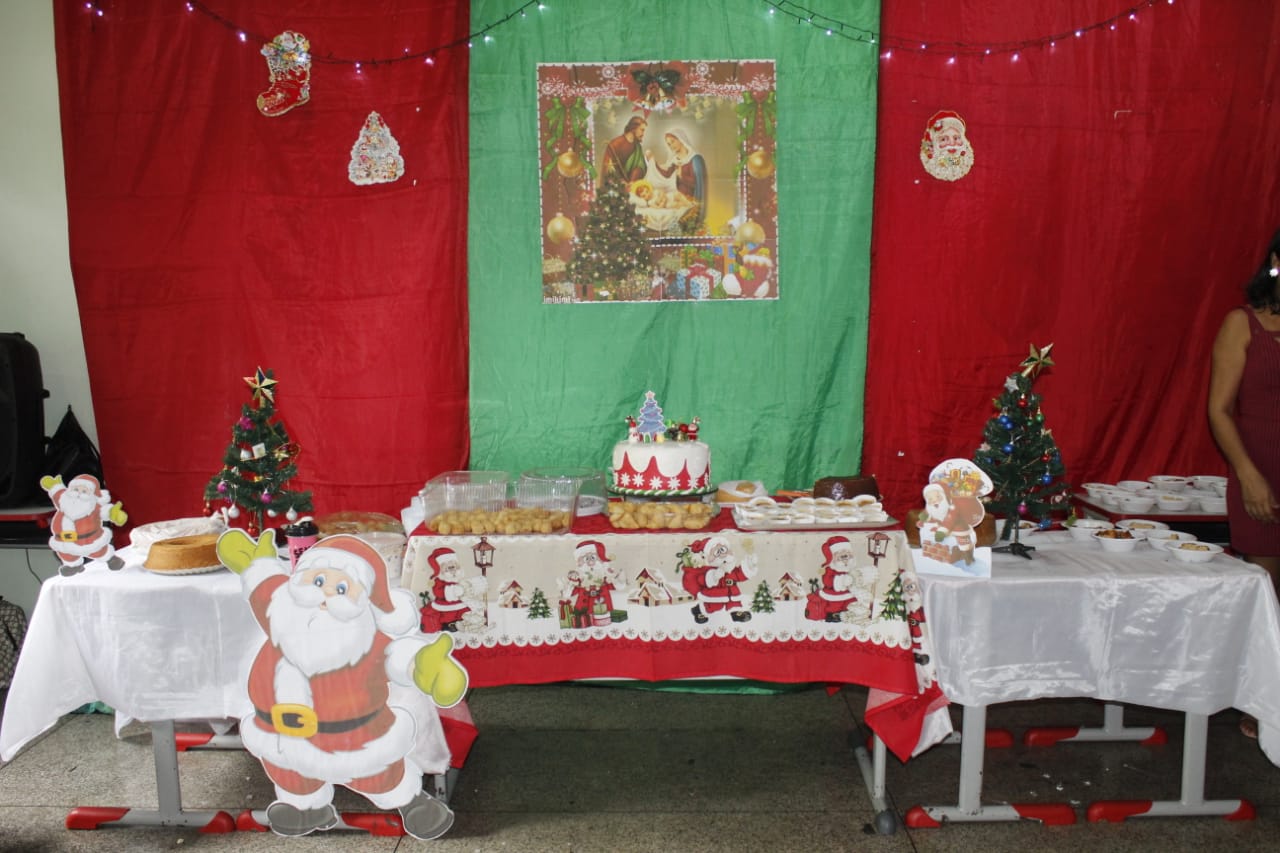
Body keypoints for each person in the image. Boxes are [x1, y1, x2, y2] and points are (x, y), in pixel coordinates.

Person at [215, 530, 468, 839]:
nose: (326, 594)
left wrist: (423, 667)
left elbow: (395, 656)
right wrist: (258, 564)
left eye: (342, 588)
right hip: (281, 735)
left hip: (354, 737)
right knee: (291, 773)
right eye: (319, 581)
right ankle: (304, 808)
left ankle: (413, 804)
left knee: (379, 775)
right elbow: (264, 586)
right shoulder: (283, 611)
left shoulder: (363, 640)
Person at [1208, 229, 1280, 739]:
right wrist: (1249, 475)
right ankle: (1264, 704)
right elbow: (1219, 409)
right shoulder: (1244, 323)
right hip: (1262, 473)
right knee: (1268, 598)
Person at [649, 128, 706, 229]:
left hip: (690, 198)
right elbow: (665, 174)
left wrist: (681, 176)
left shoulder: (695, 159)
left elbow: (697, 184)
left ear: (680, 139)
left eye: (673, 141)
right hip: (676, 198)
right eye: (669, 144)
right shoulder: (674, 160)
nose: (671, 145)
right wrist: (653, 161)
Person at [601, 116, 648, 187]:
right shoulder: (615, 144)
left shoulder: (637, 146)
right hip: (617, 187)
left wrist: (632, 180)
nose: (643, 134)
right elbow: (608, 168)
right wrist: (621, 182)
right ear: (633, 129)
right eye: (642, 130)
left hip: (632, 186)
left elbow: (641, 167)